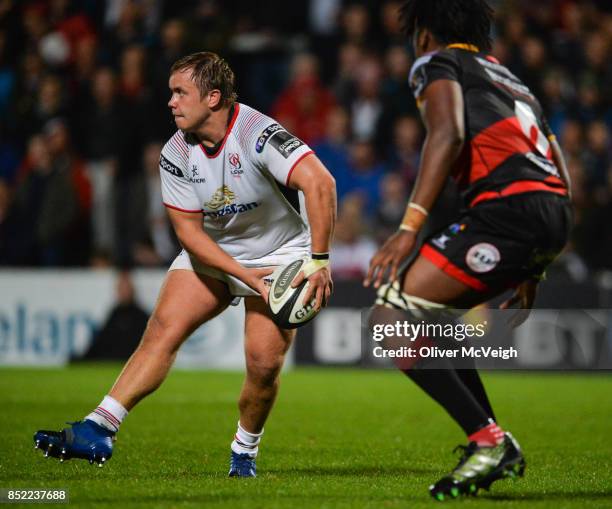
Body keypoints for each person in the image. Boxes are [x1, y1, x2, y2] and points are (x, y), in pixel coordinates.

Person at [34, 52, 336, 477]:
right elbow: (190, 235)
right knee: (162, 330)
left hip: (281, 254)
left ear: (213, 97)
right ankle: (99, 426)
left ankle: (243, 452)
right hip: (213, 252)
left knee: (263, 364)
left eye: (181, 93)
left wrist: (318, 261)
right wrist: (241, 274)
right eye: (171, 92)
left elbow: (320, 182)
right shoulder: (175, 152)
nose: (171, 102)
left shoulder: (257, 133)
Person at [364, 0, 572, 500]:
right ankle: (493, 442)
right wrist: (534, 270)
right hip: (553, 212)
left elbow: (448, 132)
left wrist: (410, 224)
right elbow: (557, 162)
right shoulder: (510, 79)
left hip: (504, 210)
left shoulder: (436, 63)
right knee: (432, 318)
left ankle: (489, 441)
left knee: (388, 321)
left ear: (422, 34)